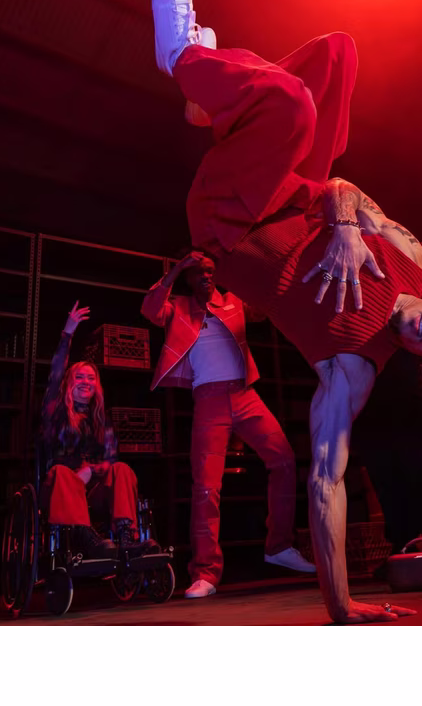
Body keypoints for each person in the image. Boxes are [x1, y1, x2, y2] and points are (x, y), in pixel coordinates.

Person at [151, 0, 422, 623]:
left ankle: (181, 55)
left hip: (230, 221)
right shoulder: (407, 251)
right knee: (336, 55)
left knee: (290, 103)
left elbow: (326, 481)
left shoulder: (354, 366)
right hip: (291, 193)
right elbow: (344, 187)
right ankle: (212, 107)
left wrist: (340, 606)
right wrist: (344, 226)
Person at [142, 251, 316, 598]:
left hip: (244, 394)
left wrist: (251, 269)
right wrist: (176, 269)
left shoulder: (234, 301)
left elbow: (263, 307)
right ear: (188, 279)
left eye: (210, 271)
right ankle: (205, 571)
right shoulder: (178, 307)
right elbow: (149, 309)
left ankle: (280, 546)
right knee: (206, 487)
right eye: (198, 272)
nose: (205, 276)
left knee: (284, 460)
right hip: (209, 401)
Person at [40, 301, 156, 559]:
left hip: (92, 491)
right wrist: (67, 333)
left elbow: (110, 460)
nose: (86, 382)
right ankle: (85, 539)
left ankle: (126, 538)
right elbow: (56, 373)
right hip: (60, 489)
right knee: (62, 473)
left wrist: (91, 470)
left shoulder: (101, 419)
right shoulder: (56, 410)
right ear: (69, 382)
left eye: (91, 378)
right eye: (79, 377)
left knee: (121, 469)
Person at [352, 348, 422, 564]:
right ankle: (409, 544)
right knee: (385, 466)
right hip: (367, 370)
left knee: (414, 462)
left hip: (389, 366)